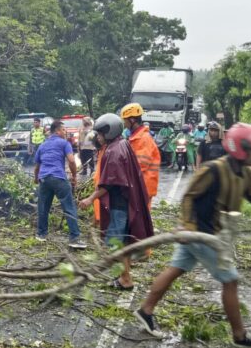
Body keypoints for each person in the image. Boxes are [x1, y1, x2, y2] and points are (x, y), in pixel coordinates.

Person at [134, 123, 251, 348]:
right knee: (230, 281)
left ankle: (146, 310)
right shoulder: (213, 169)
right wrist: (189, 226)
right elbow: (189, 197)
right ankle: (240, 336)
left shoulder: (246, 174)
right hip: (203, 235)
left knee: (176, 268)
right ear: (241, 149)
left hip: (206, 233)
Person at [79, 114, 154, 289]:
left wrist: (90, 199)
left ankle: (125, 279)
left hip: (120, 204)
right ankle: (124, 277)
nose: (97, 137)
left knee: (116, 244)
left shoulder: (113, 151)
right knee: (123, 242)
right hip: (127, 202)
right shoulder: (123, 144)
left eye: (99, 134)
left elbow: (110, 184)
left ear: (109, 132)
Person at [34, 120, 86, 249]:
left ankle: (41, 234)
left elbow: (37, 166)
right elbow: (72, 161)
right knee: (69, 207)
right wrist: (74, 176)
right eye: (63, 130)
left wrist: (36, 179)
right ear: (57, 131)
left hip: (44, 179)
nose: (65, 132)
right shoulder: (64, 143)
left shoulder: (42, 145)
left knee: (43, 207)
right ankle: (74, 237)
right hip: (58, 177)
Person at [120, 103, 160, 207]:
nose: (124, 123)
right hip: (140, 186)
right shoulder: (136, 137)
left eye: (125, 120)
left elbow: (139, 165)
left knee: (140, 222)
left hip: (143, 187)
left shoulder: (143, 139)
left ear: (132, 120)